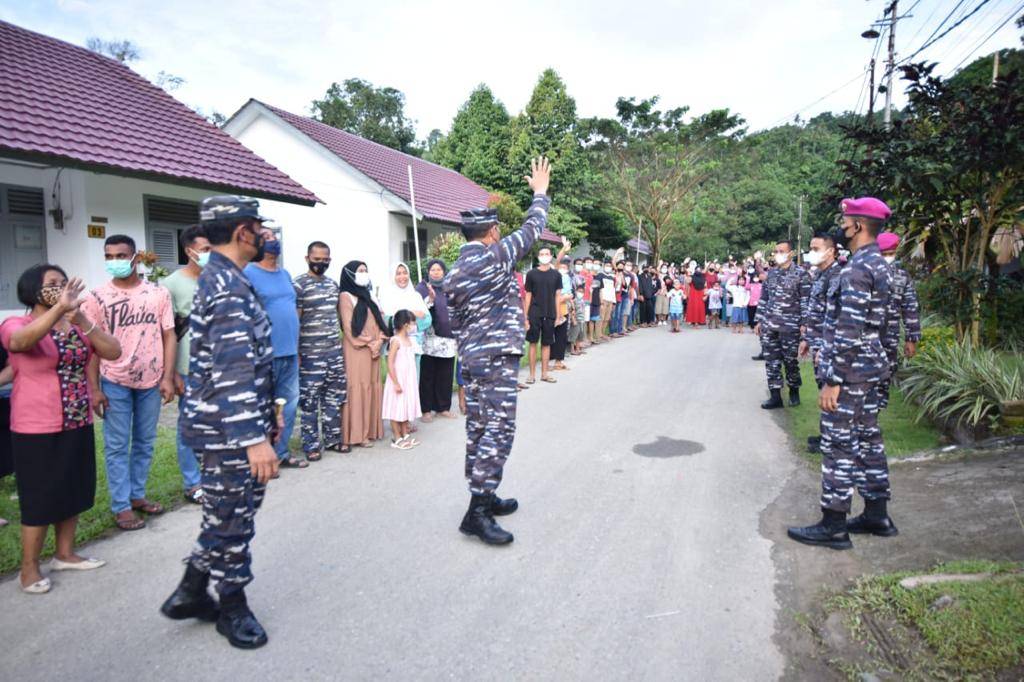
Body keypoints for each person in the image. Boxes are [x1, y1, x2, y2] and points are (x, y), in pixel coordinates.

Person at [160, 195, 282, 649]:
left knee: (224, 512)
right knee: (234, 518)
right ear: (241, 232)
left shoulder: (223, 276)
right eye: (258, 228)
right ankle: (232, 607)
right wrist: (254, 440)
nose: (265, 236)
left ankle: (191, 589)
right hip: (230, 432)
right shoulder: (228, 286)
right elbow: (233, 374)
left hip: (222, 425)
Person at [444, 156, 551, 545]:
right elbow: (533, 227)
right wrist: (540, 193)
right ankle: (477, 510)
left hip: (471, 356)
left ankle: (485, 496)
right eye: (497, 229)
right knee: (500, 428)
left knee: (479, 427)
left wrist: (472, 343)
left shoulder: (454, 273)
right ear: (490, 233)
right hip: (495, 358)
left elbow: (453, 319)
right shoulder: (495, 256)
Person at [1, 266, 121, 593]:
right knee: (40, 497)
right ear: (32, 291)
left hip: (77, 418)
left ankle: (65, 554)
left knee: (74, 487)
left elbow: (113, 351)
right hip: (35, 425)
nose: (61, 289)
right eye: (52, 285)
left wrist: (81, 319)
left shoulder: (76, 326)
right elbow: (19, 342)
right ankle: (29, 570)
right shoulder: (18, 323)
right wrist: (57, 310)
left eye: (63, 283)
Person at [788, 197, 895, 550]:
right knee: (868, 439)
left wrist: (833, 379)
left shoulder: (856, 271)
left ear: (858, 226)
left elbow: (849, 329)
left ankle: (834, 524)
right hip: (868, 368)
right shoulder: (879, 265)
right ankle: (877, 514)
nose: (842, 224)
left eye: (846, 220)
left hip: (849, 373)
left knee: (837, 444)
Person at [83, 234, 176, 531]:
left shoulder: (157, 293)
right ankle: (121, 506)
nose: (115, 262)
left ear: (135, 258)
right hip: (114, 380)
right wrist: (95, 388)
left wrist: (168, 377)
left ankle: (137, 495)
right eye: (109, 257)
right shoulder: (96, 297)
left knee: (145, 442)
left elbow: (168, 335)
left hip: (151, 380)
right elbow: (93, 346)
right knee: (117, 445)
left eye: (120, 256)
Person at [245, 228, 304, 470]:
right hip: (263, 354)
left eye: (274, 236)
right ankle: (261, 456)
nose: (273, 241)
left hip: (289, 351)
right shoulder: (247, 273)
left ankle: (280, 453)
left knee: (288, 407)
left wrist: (297, 347)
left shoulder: (285, 273)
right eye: (267, 237)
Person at [161, 225, 209, 503]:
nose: (210, 254)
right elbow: (166, 332)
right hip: (190, 370)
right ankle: (193, 483)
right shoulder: (171, 284)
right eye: (205, 250)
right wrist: (171, 374)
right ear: (189, 250)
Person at [294, 241, 348, 460]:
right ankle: (311, 445)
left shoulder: (333, 285)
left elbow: (339, 318)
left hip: (333, 353)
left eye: (325, 260)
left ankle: (333, 439)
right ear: (307, 259)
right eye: (317, 260)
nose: (321, 263)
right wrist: (296, 353)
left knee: (333, 398)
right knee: (309, 402)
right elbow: (295, 321)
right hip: (309, 355)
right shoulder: (298, 285)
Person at [755, 240, 811, 409]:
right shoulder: (771, 274)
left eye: (782, 251)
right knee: (771, 362)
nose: (778, 254)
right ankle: (775, 396)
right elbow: (764, 298)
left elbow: (805, 301)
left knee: (790, 362)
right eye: (776, 251)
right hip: (770, 325)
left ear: (791, 253)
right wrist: (759, 320)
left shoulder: (802, 274)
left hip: (790, 326)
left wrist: (804, 324)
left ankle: (794, 392)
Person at [799, 232, 842, 453]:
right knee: (821, 389)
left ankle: (833, 441)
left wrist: (826, 347)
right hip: (817, 343)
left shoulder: (838, 277)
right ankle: (826, 436)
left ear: (831, 251)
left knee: (832, 392)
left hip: (828, 347)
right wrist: (808, 339)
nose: (811, 252)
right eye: (811, 248)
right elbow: (815, 312)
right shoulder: (820, 275)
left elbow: (837, 319)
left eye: (816, 249)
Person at [338, 261, 388, 448]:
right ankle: (357, 434)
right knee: (358, 387)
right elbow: (349, 329)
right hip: (357, 350)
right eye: (360, 271)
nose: (364, 273)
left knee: (372, 386)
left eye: (366, 270)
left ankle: (371, 430)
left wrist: (380, 339)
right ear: (350, 274)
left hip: (374, 350)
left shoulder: (369, 295)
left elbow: (381, 320)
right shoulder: (346, 296)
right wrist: (370, 342)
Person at [877, 232, 921, 409]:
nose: (887, 257)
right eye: (884, 253)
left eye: (891, 253)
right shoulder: (864, 274)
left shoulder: (902, 277)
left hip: (889, 336)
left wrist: (911, 339)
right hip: (864, 336)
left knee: (886, 375)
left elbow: (910, 308)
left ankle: (874, 417)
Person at [416, 259, 459, 420]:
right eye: (432, 270)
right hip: (429, 338)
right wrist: (431, 300)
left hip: (447, 339)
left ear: (444, 271)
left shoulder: (449, 287)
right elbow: (419, 310)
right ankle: (426, 409)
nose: (436, 272)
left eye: (439, 270)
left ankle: (443, 407)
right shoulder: (422, 288)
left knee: (445, 373)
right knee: (428, 374)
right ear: (428, 272)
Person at [383, 309, 422, 450]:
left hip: (408, 380)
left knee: (405, 406)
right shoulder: (396, 341)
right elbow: (390, 362)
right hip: (398, 380)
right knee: (396, 407)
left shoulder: (409, 340)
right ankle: (396, 436)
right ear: (405, 325)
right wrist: (396, 382)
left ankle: (405, 433)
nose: (414, 326)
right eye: (413, 323)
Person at [524, 245, 561, 384]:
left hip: (550, 313)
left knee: (546, 344)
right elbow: (528, 295)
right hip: (534, 313)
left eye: (547, 253)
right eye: (541, 253)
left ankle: (545, 374)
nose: (544, 256)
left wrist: (558, 315)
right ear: (538, 256)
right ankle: (531, 375)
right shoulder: (531, 274)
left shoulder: (556, 275)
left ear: (551, 256)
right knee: (533, 343)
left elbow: (558, 296)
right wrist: (525, 316)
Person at [597, 260, 616, 342]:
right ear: (604, 266)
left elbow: (613, 290)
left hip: (610, 300)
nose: (608, 267)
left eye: (609, 266)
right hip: (603, 299)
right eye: (607, 265)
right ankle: (598, 334)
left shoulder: (612, 277)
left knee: (607, 318)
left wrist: (613, 301)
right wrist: (600, 300)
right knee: (601, 317)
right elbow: (599, 289)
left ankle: (602, 333)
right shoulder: (600, 275)